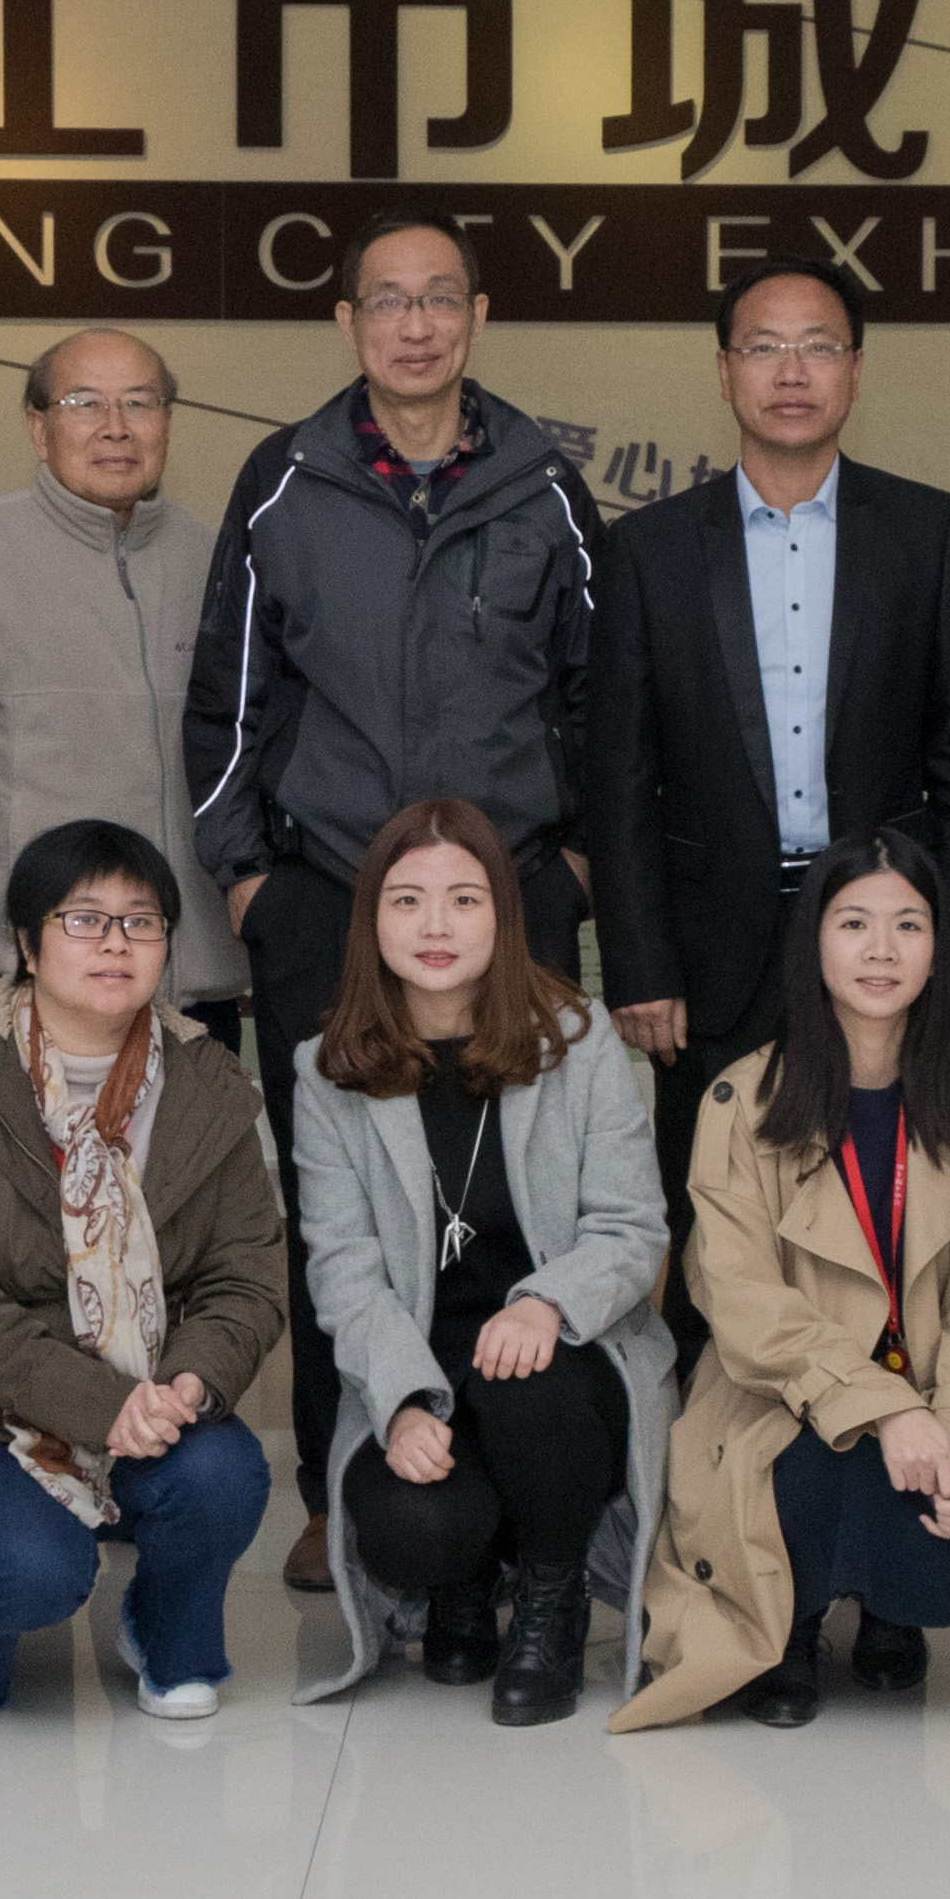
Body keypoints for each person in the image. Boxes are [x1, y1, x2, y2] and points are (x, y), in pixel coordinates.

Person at [185, 215, 610, 1588]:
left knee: (525, 1183)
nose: (414, 325)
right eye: (387, 301)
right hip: (327, 897)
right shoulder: (283, 482)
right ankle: (344, 1480)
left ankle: (526, 1473)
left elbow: (601, 700)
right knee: (349, 1205)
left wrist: (576, 865)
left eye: (439, 300)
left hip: (515, 899)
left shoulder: (546, 487)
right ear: (347, 322)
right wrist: (250, 879)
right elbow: (227, 700)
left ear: (478, 316)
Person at [584, 265, 950, 1319]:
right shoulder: (649, 550)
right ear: (724, 372)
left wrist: (948, 922)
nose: (792, 371)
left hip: (880, 936)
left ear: (856, 369)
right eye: (764, 347)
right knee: (716, 1233)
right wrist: (639, 962)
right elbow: (618, 775)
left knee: (888, 1223)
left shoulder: (927, 531)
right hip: (710, 948)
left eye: (818, 345)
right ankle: (710, 1427)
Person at [622, 828, 950, 1729]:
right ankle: (793, 1623)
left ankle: (888, 1606)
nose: (881, 950)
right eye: (854, 923)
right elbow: (743, 1306)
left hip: (929, 1404)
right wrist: (886, 1411)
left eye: (908, 925)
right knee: (815, 1464)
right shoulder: (742, 1102)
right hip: (779, 1402)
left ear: (940, 950)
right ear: (812, 941)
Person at [0, 821, 290, 1721]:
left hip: (157, 1396)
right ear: (27, 944)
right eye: (85, 919)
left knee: (223, 1476)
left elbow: (247, 1275)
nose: (116, 944)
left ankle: (164, 1629)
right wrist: (103, 1405)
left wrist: (190, 1381)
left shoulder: (206, 1078)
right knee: (31, 1581)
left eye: (141, 923)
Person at [288, 799, 671, 1725]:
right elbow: (342, 1271)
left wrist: (546, 1303)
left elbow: (632, 1227)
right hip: (422, 1359)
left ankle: (551, 1592)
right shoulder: (326, 1069)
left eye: (464, 899)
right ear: (371, 919)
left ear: (502, 914)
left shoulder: (576, 1040)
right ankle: (461, 1582)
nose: (435, 926)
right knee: (413, 1524)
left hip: (563, 1361)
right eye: (407, 900)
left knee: (524, 1388)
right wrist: (401, 1400)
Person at [0, 326, 248, 1035]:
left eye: (140, 402)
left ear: (168, 423)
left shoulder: (214, 562)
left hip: (191, 985)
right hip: (26, 976)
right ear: (38, 427)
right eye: (84, 403)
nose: (116, 427)